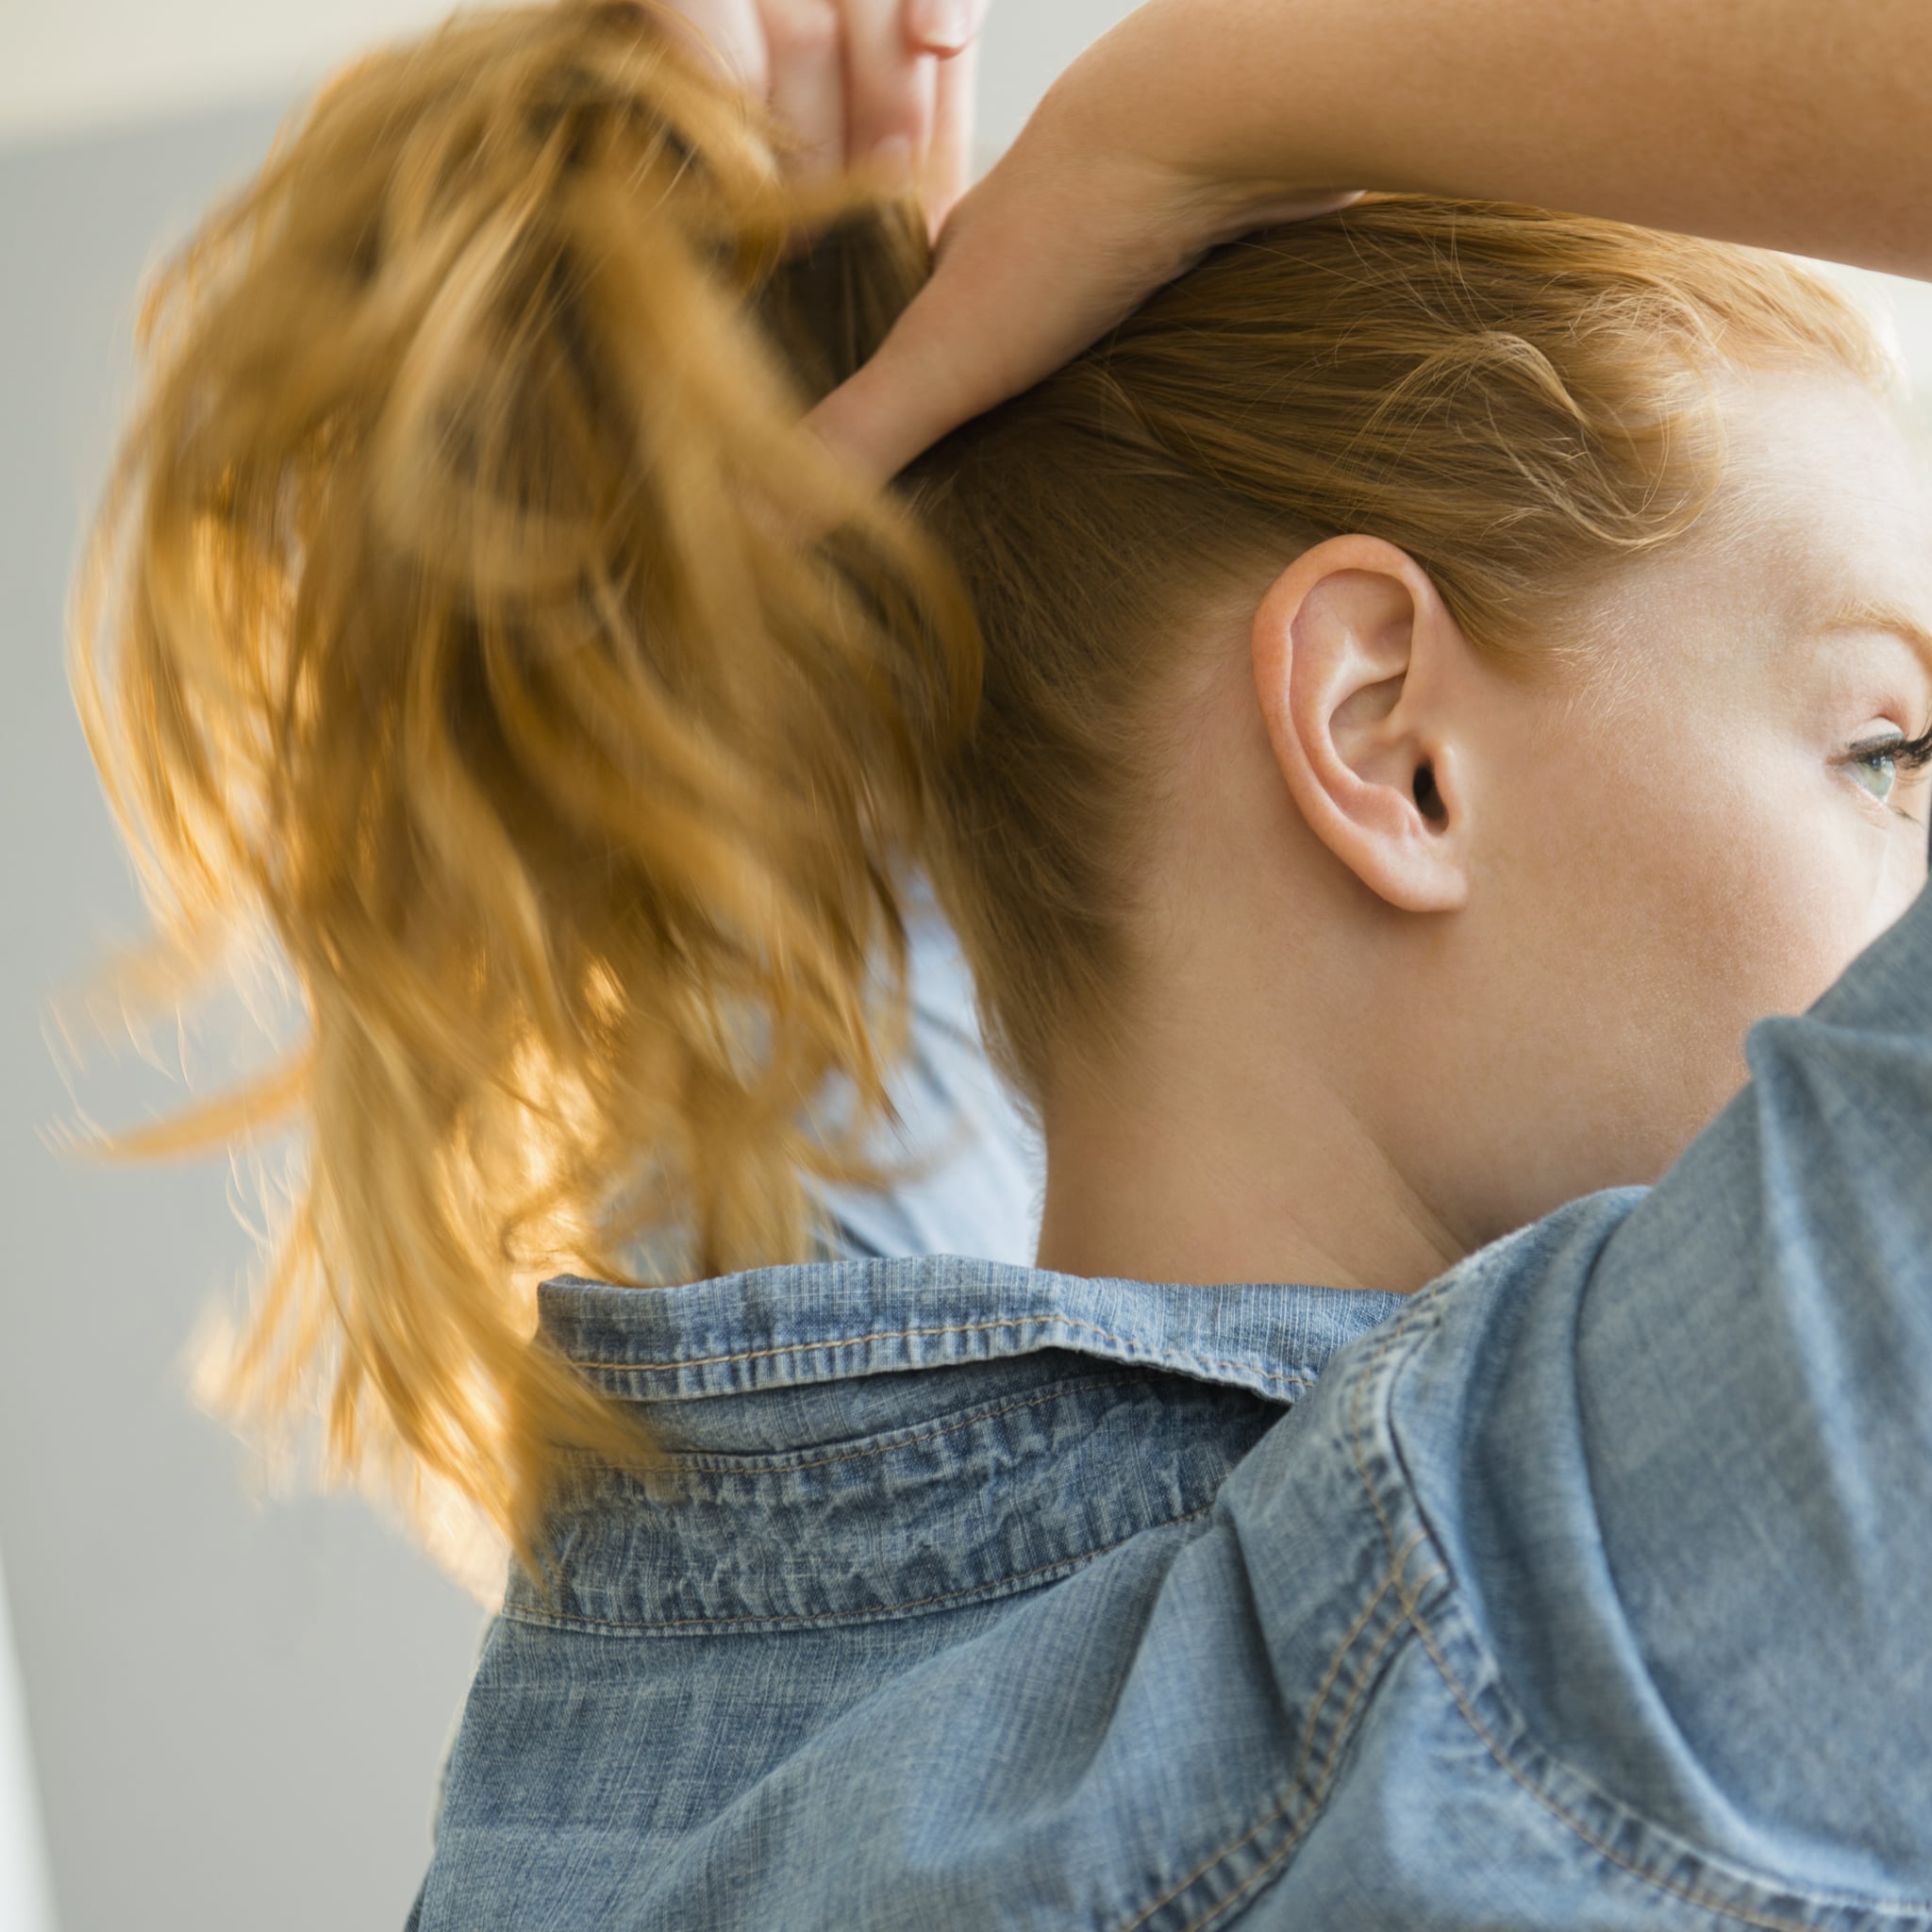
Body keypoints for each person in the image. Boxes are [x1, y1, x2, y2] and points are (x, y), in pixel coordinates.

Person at [56, 0, 1932, 1926]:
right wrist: (1205, 96)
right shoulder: (1596, 1595)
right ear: (1388, 738)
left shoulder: (742, 1720)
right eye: (1882, 750)